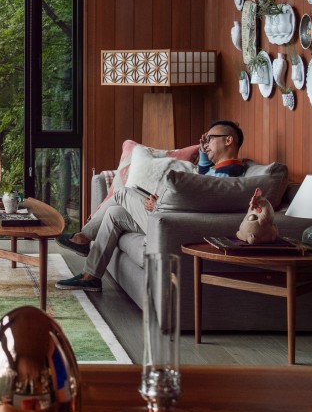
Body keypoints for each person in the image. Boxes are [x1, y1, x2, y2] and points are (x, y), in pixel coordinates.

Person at [55, 120, 245, 291]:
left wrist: (161, 207)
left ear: (228, 140)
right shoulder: (217, 171)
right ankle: (91, 276)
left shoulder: (227, 176)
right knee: (114, 213)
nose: (207, 142)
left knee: (123, 192)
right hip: (167, 215)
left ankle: (83, 237)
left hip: (172, 223)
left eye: (211, 138)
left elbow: (202, 207)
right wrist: (204, 150)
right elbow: (200, 182)